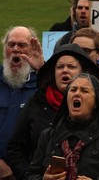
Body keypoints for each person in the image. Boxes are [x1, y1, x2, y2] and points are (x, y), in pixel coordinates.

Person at [7, 44, 99, 180]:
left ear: (84, 72)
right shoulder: (37, 102)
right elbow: (16, 149)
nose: (65, 71)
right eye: (59, 67)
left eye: (71, 67)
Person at [25, 73, 99, 180]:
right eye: (73, 90)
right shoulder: (48, 136)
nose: (77, 93)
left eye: (84, 91)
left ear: (96, 102)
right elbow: (31, 174)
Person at [0, 26, 44, 179]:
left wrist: (43, 71)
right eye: (11, 45)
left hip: (30, 172)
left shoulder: (42, 84)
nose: (16, 49)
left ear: (33, 50)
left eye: (22, 45)